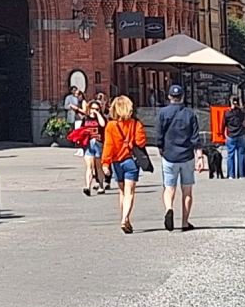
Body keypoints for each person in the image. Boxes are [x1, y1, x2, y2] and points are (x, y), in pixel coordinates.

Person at [100, 94, 147, 234]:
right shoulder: (135, 124)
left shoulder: (110, 125)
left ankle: (125, 218)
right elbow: (141, 142)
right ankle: (125, 218)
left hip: (116, 162)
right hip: (130, 160)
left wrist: (105, 163)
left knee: (122, 192)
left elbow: (108, 145)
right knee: (130, 192)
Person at [157, 84, 198, 232]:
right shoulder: (190, 114)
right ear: (182, 97)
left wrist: (160, 148)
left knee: (169, 188)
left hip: (169, 155)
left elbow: (159, 134)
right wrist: (199, 156)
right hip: (187, 155)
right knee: (187, 191)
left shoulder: (163, 113)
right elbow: (195, 137)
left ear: (169, 97)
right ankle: (185, 223)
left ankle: (169, 208)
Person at [77, 100, 107, 196]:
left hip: (99, 143)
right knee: (89, 166)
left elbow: (103, 124)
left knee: (99, 166)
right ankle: (87, 187)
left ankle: (101, 185)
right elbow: (81, 130)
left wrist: (98, 114)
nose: (94, 110)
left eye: (97, 109)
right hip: (88, 144)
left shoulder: (101, 118)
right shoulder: (85, 118)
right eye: (93, 108)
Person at [221, 95, 245, 180]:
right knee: (241, 154)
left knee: (230, 155)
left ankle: (231, 174)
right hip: (241, 134)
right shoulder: (241, 112)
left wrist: (223, 134)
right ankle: (241, 175)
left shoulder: (227, 113)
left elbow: (223, 124)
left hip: (231, 135)